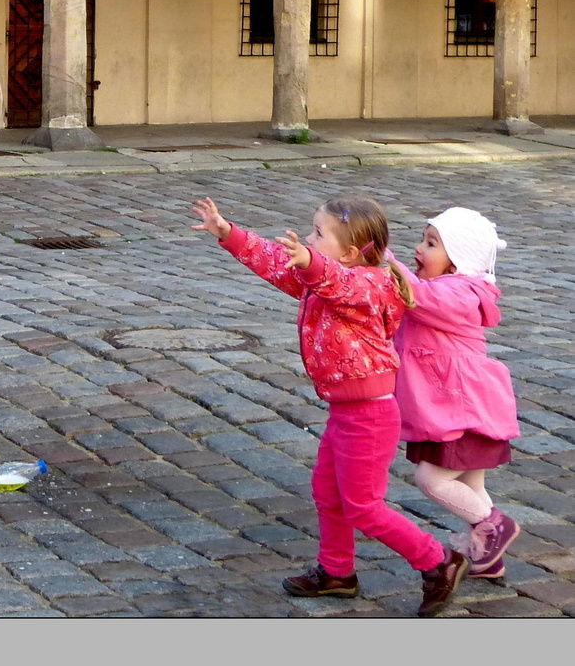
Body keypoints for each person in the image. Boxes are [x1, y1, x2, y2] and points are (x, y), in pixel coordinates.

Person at [191, 194, 471, 618]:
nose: (307, 238)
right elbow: (275, 261)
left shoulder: (372, 283)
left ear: (353, 252)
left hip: (371, 415)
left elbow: (341, 284)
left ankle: (438, 561)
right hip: (345, 411)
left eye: (318, 234)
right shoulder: (319, 275)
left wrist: (311, 262)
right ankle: (337, 572)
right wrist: (228, 233)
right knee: (328, 493)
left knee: (364, 506)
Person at [389, 208, 521, 580]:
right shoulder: (445, 287)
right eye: (423, 239)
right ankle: (488, 557)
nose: (419, 248)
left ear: (458, 260)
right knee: (469, 483)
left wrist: (389, 265)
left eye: (431, 243)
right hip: (453, 405)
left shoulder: (460, 293)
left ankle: (494, 526)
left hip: (459, 407)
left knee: (431, 480)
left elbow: (418, 298)